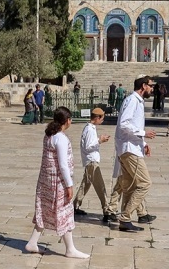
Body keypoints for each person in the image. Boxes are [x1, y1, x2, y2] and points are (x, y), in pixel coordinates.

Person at [25, 106, 89, 259]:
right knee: (65, 212)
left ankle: (33, 242)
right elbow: (63, 164)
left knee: (45, 210)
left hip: (45, 181)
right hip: (57, 183)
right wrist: (69, 185)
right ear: (67, 121)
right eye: (70, 119)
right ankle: (70, 249)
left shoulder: (49, 135)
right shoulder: (60, 138)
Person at [114, 75, 156, 232]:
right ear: (144, 86)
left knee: (130, 186)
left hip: (131, 147)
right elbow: (124, 124)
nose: (152, 88)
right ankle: (125, 217)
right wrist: (143, 133)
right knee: (145, 183)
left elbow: (132, 125)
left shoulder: (137, 101)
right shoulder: (133, 100)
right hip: (130, 149)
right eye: (151, 85)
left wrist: (143, 143)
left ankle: (125, 222)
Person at [73, 108, 111, 221]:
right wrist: (100, 140)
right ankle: (106, 210)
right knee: (100, 186)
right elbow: (88, 146)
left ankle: (75, 205)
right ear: (97, 118)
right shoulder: (89, 129)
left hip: (90, 161)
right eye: (102, 118)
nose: (102, 120)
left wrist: (99, 140)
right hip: (91, 162)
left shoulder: (90, 128)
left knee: (86, 184)